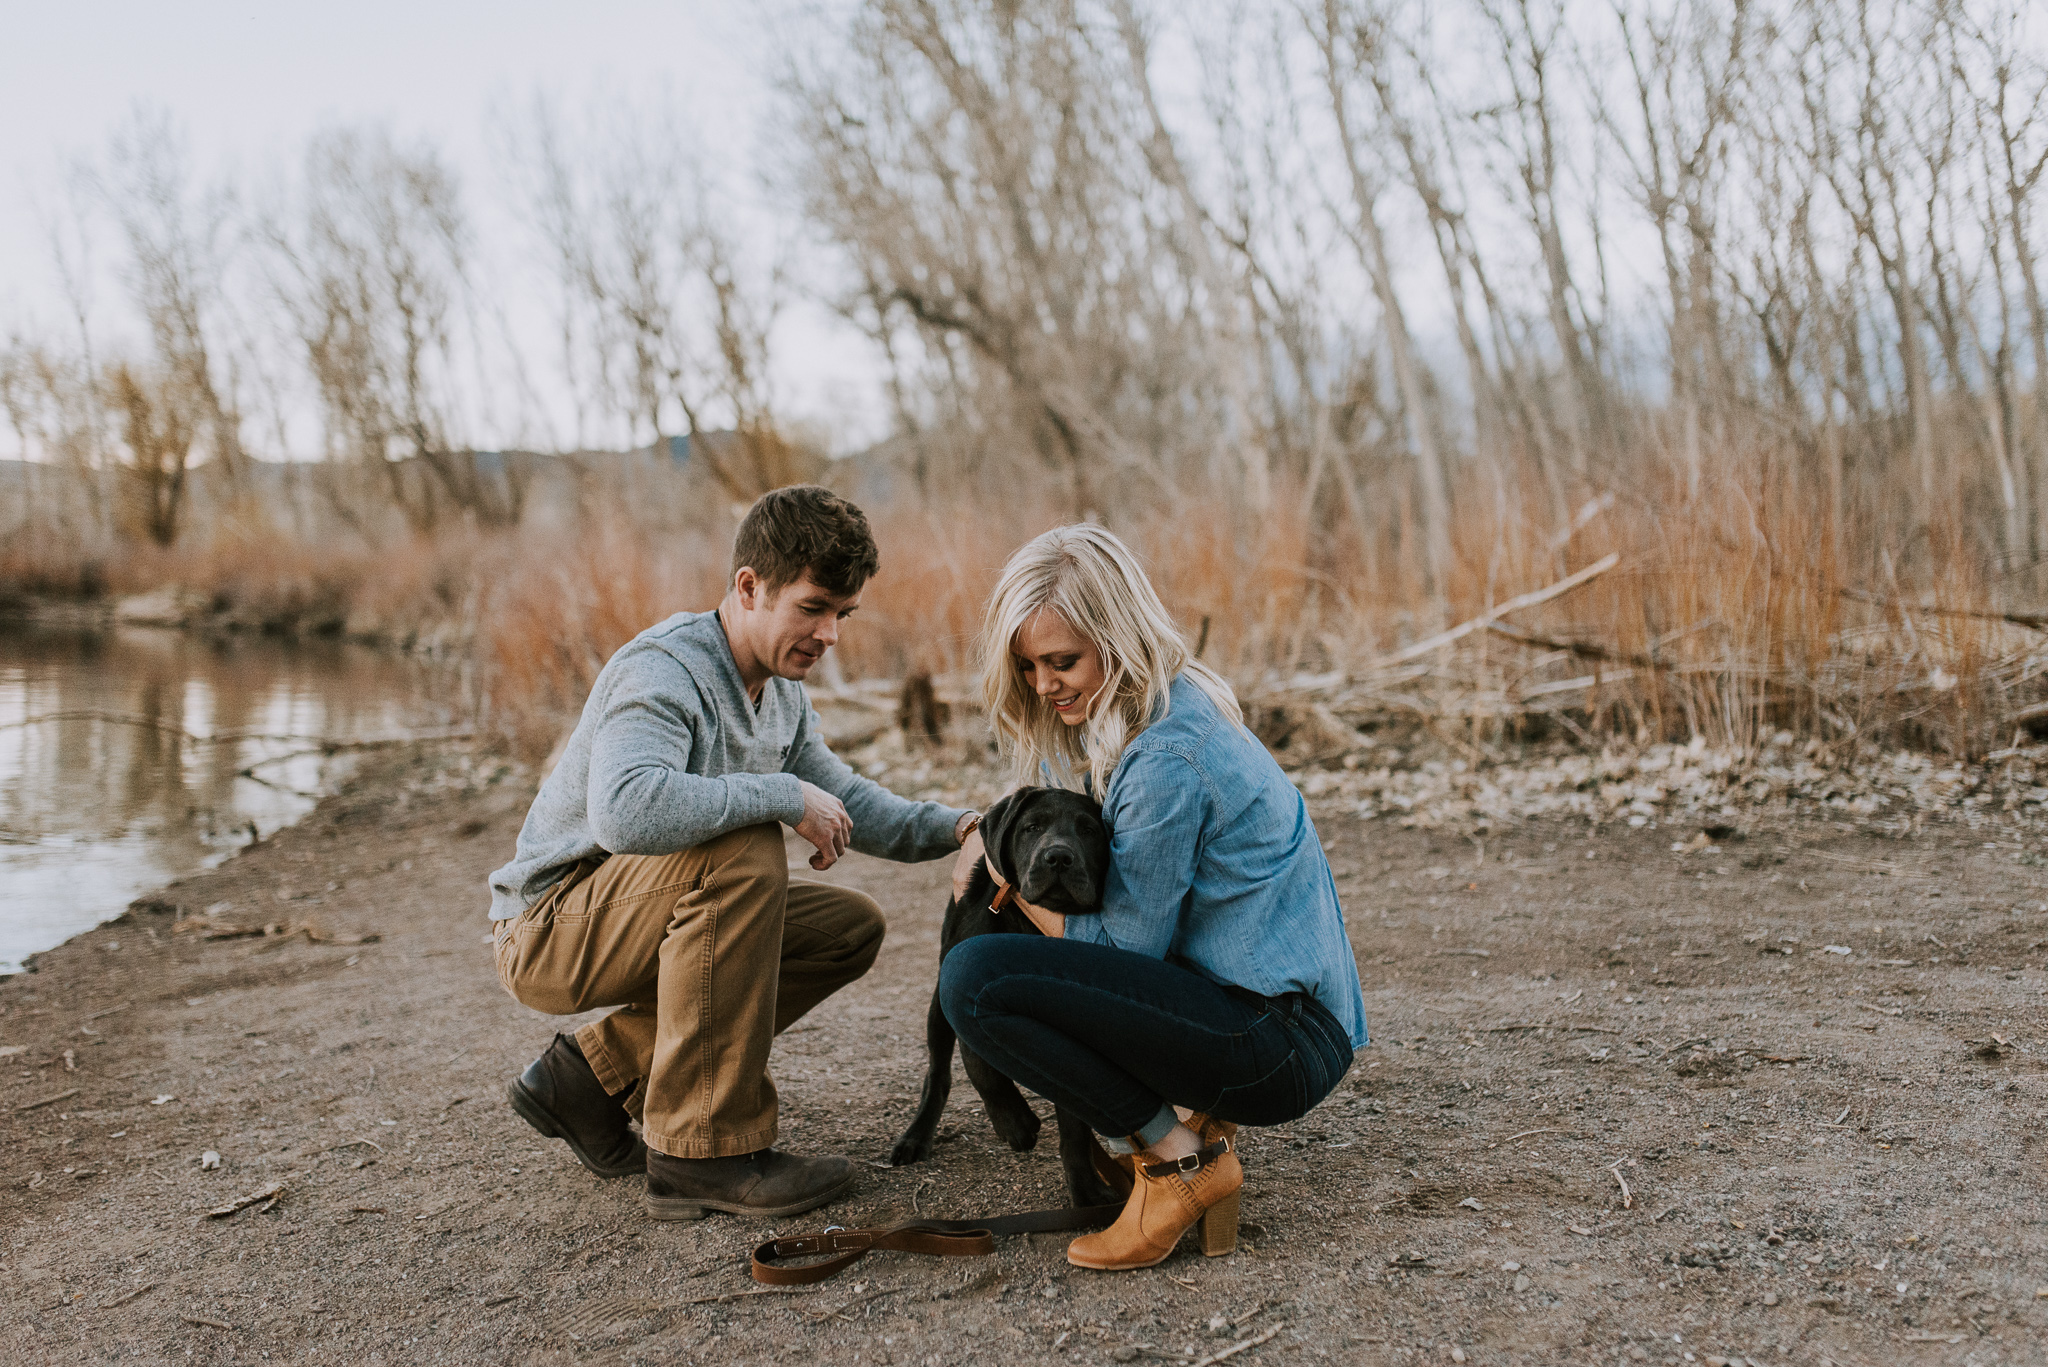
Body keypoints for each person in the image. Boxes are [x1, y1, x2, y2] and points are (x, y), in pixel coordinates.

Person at [487, 486, 979, 1221]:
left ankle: (589, 1078)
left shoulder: (780, 695)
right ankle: (701, 1151)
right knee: (744, 849)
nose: (831, 633)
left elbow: (847, 801)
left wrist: (963, 825)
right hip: (550, 925)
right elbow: (623, 810)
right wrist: (780, 796)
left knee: (848, 928)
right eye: (813, 607)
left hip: (635, 910)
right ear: (749, 587)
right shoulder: (664, 669)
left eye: (843, 613)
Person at [942, 524, 1367, 1271]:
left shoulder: (1164, 757)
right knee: (1023, 966)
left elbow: (1112, 953)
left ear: (1116, 635)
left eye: (1062, 661)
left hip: (1277, 1041)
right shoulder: (1173, 703)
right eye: (1029, 666)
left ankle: (1178, 1161)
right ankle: (1155, 1136)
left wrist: (1008, 875)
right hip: (1290, 1016)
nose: (1043, 685)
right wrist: (995, 824)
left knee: (976, 981)